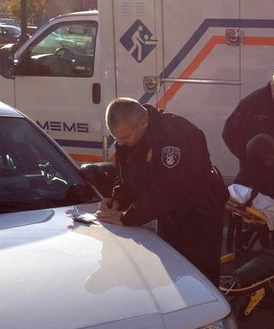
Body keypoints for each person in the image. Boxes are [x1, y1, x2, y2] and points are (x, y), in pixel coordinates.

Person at [96, 97, 226, 285]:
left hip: (198, 216)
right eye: (117, 138)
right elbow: (126, 176)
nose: (121, 143)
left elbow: (170, 189)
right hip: (168, 215)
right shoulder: (129, 137)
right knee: (172, 276)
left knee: (199, 280)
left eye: (124, 137)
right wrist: (117, 199)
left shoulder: (178, 134)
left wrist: (128, 217)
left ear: (143, 122)